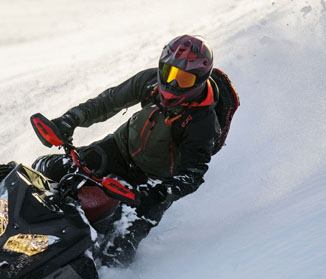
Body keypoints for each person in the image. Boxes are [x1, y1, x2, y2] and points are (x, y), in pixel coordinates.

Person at [32, 34, 233, 267]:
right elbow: (107, 102)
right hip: (118, 149)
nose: (173, 84)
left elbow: (193, 173)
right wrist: (70, 119)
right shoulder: (150, 82)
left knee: (116, 252)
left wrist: (158, 193)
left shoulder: (203, 123)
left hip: (150, 184)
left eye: (184, 79)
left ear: (199, 81)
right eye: (168, 73)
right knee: (49, 169)